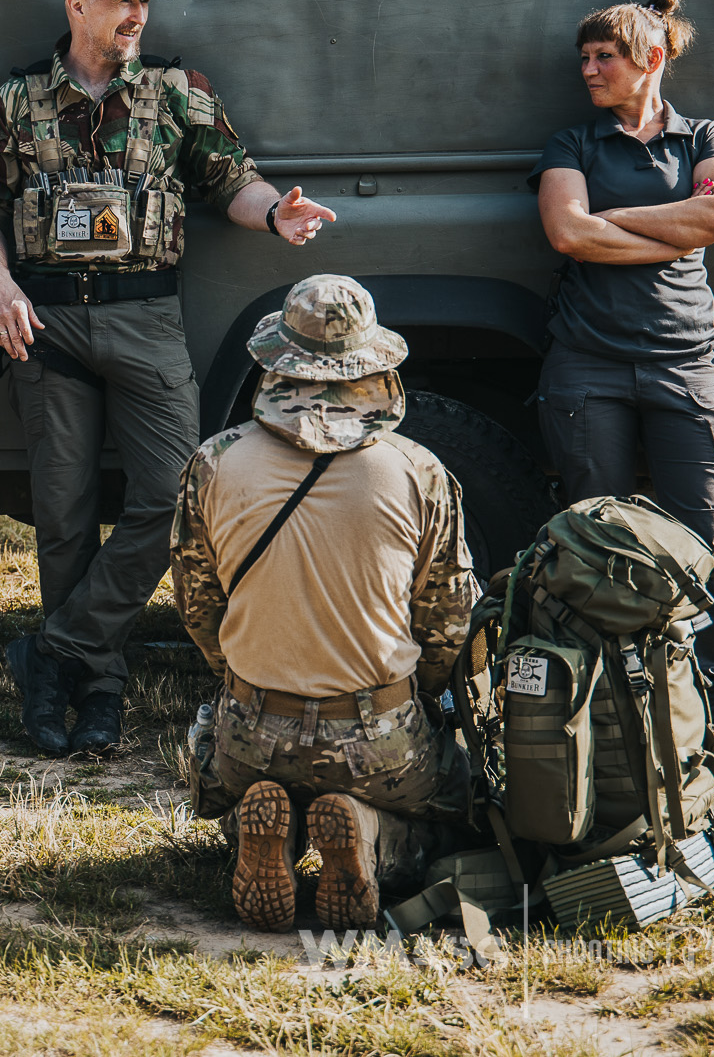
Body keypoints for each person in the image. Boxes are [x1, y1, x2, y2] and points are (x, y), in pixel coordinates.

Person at [0, 0, 338, 758]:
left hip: (147, 321)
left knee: (173, 496)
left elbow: (233, 178)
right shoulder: (15, 102)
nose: (137, 15)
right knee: (61, 513)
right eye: (121, 0)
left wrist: (276, 214)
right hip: (49, 325)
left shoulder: (177, 94)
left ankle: (57, 651)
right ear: (78, 7)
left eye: (145, 3)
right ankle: (92, 693)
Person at [172, 274, 476, 932]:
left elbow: (198, 605)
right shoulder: (419, 469)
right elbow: (449, 617)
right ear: (375, 369)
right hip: (378, 729)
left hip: (253, 725)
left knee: (225, 766)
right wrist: (419, 692)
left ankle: (268, 833)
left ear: (278, 362)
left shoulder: (212, 462)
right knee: (455, 803)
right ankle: (367, 835)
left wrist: (247, 669)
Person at [530, 0, 714, 766]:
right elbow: (567, 230)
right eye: (586, 58)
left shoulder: (705, 136)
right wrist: (671, 225)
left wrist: (617, 222)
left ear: (651, 60)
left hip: (687, 360)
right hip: (587, 366)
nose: (590, 70)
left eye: (605, 57)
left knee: (711, 542)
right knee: (594, 539)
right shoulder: (572, 143)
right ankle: (611, 712)